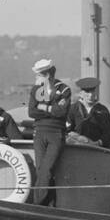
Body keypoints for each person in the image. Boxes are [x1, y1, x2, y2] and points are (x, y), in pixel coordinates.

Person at [27, 58, 73, 205]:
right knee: (41, 168)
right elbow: (32, 112)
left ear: (46, 75)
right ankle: (50, 204)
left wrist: (44, 107)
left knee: (47, 169)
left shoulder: (64, 89)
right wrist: (52, 108)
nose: (36, 78)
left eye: (38, 75)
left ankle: (38, 204)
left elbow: (61, 113)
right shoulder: (36, 90)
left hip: (55, 133)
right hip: (40, 132)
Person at [67, 77, 110, 146]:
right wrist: (75, 136)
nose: (91, 95)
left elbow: (108, 135)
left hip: (96, 148)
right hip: (76, 146)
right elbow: (65, 130)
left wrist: (97, 143)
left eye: (93, 91)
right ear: (80, 94)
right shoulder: (73, 109)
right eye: (87, 92)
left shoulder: (102, 110)